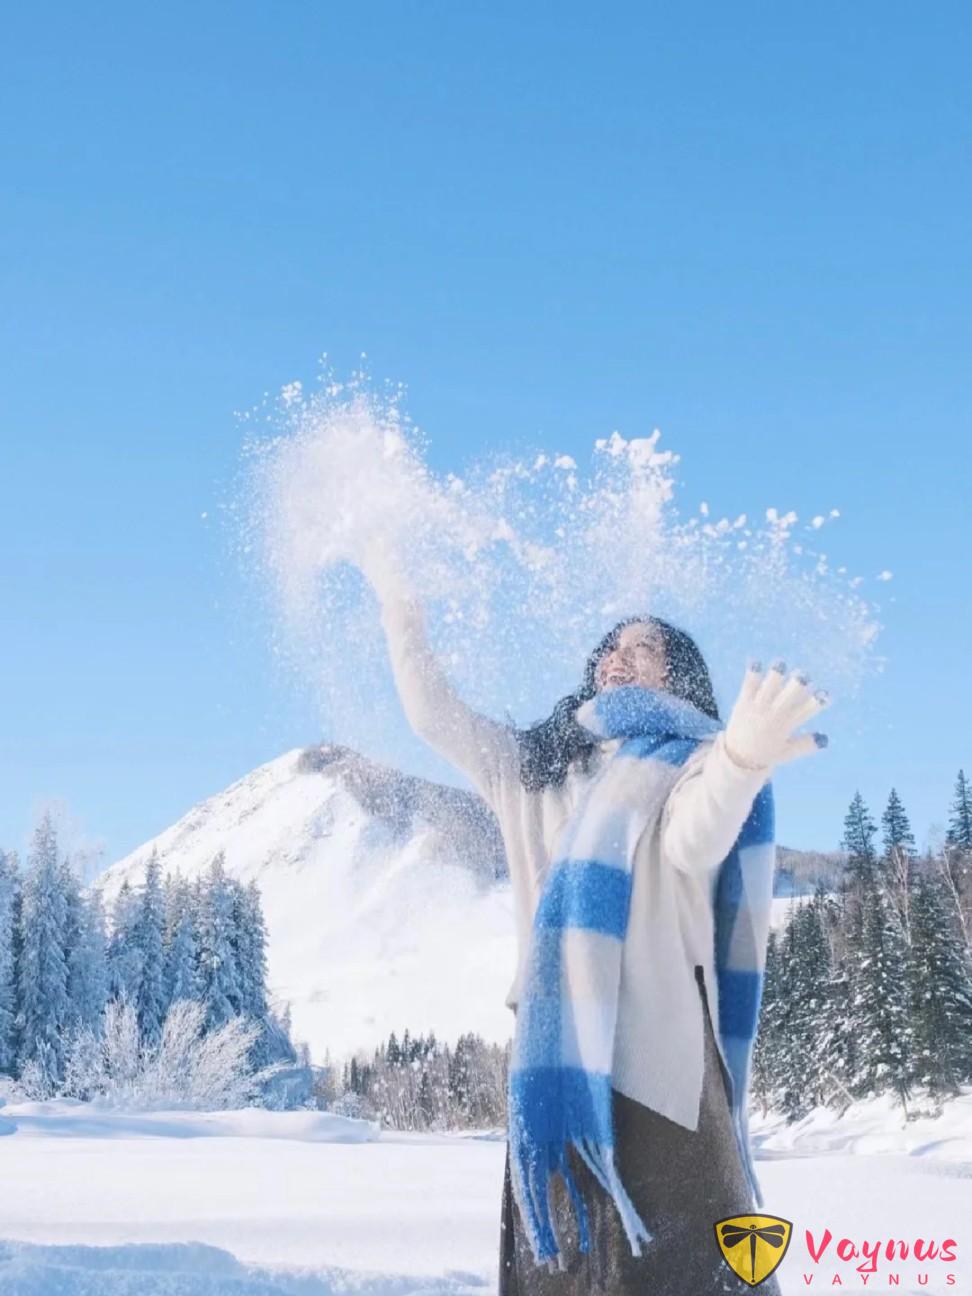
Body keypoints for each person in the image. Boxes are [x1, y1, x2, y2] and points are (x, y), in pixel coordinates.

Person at [357, 537, 830, 1295]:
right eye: (613, 645)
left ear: (681, 675)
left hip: (660, 1069)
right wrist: (397, 601)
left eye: (645, 648)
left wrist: (741, 759)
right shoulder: (534, 774)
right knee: (566, 1273)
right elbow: (432, 715)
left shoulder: (689, 765)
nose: (621, 655)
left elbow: (696, 835)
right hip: (558, 1070)